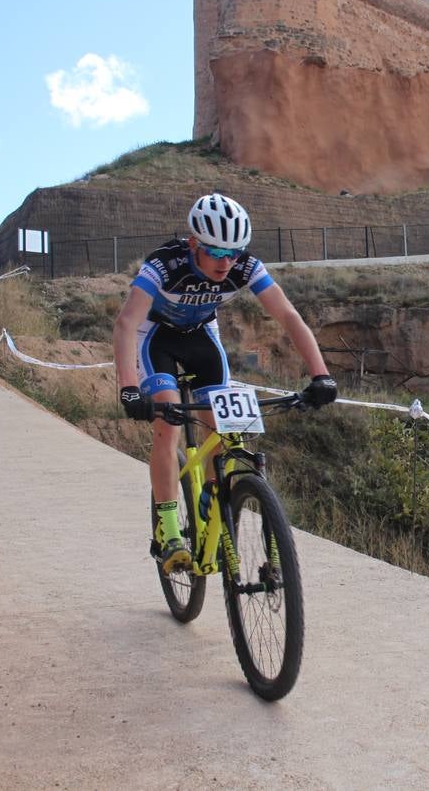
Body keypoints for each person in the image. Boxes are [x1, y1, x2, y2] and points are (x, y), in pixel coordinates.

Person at [114, 192, 337, 573]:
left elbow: (288, 316)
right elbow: (126, 322)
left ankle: (215, 508)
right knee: (168, 425)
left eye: (234, 253)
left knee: (227, 432)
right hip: (157, 338)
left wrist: (321, 375)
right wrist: (129, 388)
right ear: (194, 244)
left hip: (202, 336)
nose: (226, 262)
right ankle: (169, 533)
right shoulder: (164, 264)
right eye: (216, 252)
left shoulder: (245, 266)